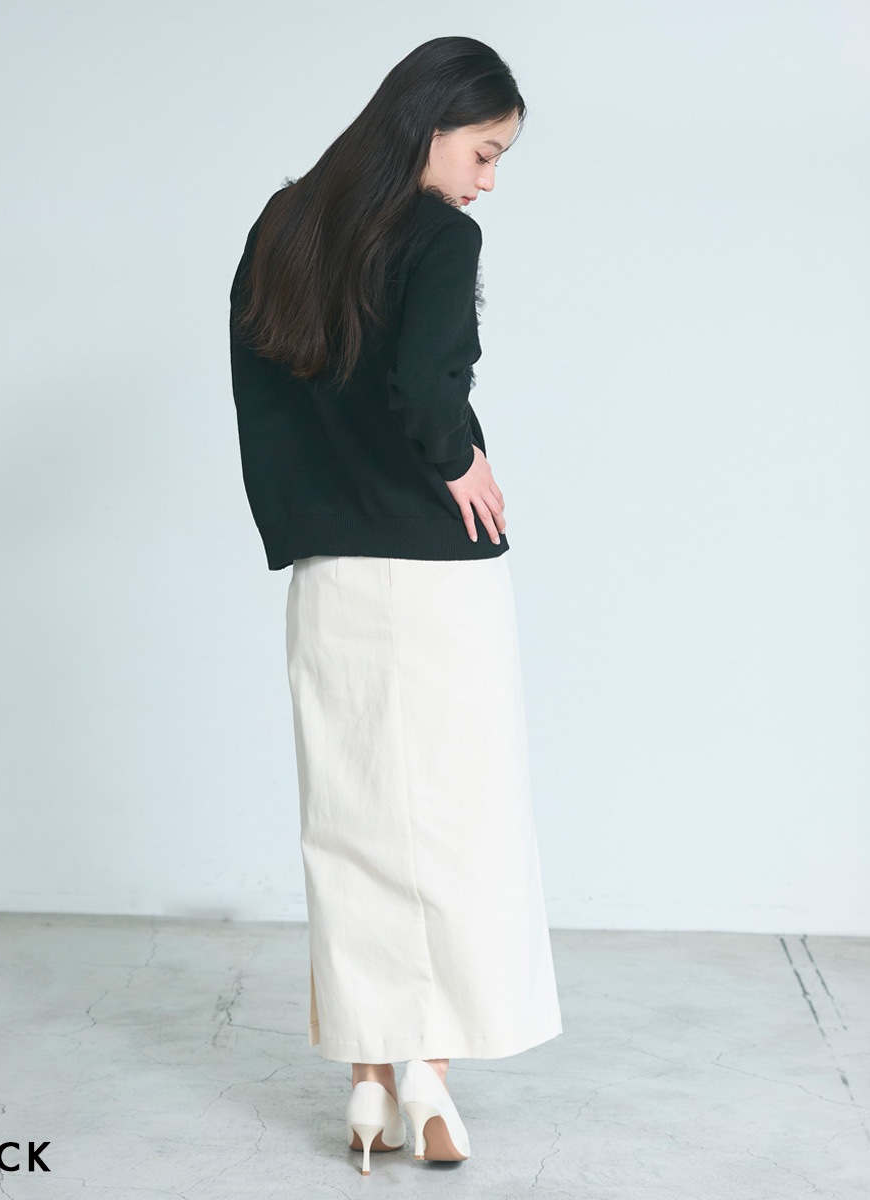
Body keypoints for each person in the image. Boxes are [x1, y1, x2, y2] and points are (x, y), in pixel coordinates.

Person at [229, 35, 563, 1175]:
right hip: (436, 570)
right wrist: (458, 456)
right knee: (460, 821)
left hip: (329, 572)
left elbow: (263, 396)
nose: (487, 181)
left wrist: (303, 514)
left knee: (353, 820)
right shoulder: (440, 236)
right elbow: (427, 386)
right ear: (429, 123)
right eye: (484, 151)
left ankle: (369, 1077)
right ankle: (431, 1076)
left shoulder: (283, 226)